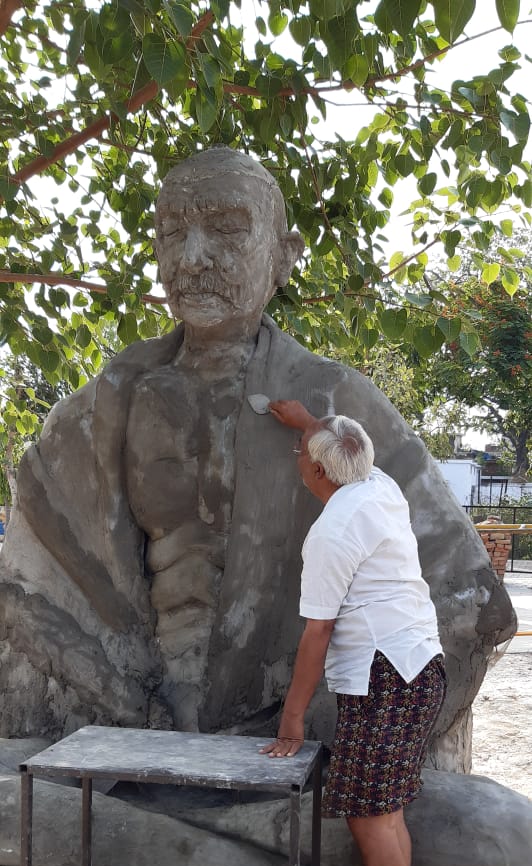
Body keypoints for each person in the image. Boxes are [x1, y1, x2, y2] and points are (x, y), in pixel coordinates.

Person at [0, 147, 512, 751]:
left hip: (303, 726)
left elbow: (469, 600)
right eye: (173, 233)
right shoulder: (103, 407)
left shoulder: (340, 400)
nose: (192, 259)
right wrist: (116, 692)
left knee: (492, 838)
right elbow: (23, 596)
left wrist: (327, 718)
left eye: (225, 229)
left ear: (284, 256)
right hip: (127, 718)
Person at [262, 400, 446, 866]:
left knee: (373, 818)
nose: (298, 461)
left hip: (383, 678)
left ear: (319, 475)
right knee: (384, 813)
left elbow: (318, 633)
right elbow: (331, 445)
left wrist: (292, 720)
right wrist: (306, 420)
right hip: (416, 665)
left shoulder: (333, 530)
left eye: (302, 457)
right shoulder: (376, 482)